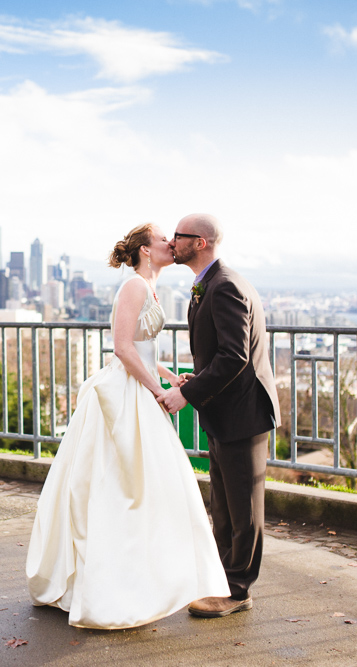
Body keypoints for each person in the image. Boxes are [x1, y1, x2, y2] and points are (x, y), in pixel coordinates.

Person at [26, 223, 230, 629]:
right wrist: (158, 391)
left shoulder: (150, 287)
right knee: (123, 487)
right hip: (125, 395)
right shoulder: (135, 287)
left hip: (140, 387)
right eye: (162, 241)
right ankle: (117, 584)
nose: (171, 245)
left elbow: (140, 348)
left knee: (146, 486)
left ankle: (145, 579)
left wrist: (171, 377)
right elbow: (121, 348)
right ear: (145, 251)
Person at [158, 213, 281, 618]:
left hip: (242, 414)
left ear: (202, 242)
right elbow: (221, 355)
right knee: (224, 505)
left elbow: (235, 357)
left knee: (244, 509)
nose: (172, 241)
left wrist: (186, 395)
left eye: (180, 235)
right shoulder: (210, 283)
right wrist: (198, 377)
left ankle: (238, 590)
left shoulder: (225, 286)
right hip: (225, 410)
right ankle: (223, 580)